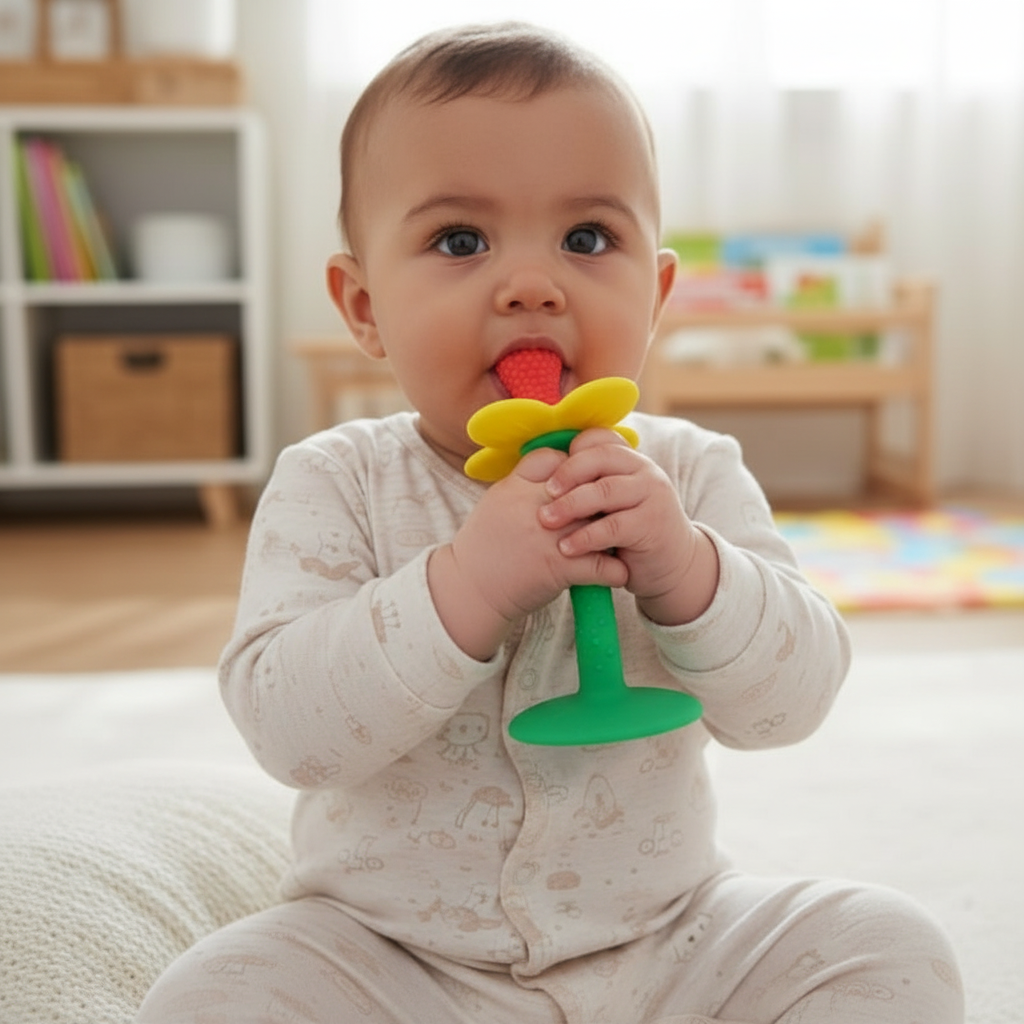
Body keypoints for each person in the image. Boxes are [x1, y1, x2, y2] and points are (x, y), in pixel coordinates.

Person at [136, 22, 963, 1024]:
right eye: (459, 241)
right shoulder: (335, 482)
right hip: (392, 959)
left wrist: (691, 574)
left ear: (654, 295)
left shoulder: (688, 472)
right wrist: (463, 587)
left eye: (586, 239)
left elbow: (788, 705)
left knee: (884, 945)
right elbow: (289, 730)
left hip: (669, 941)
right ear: (363, 306)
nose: (533, 283)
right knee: (213, 994)